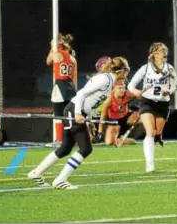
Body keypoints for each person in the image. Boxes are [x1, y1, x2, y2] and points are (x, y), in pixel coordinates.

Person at [28, 57, 130, 189]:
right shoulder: (105, 79)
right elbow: (81, 94)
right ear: (122, 71)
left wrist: (89, 120)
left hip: (78, 111)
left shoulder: (109, 80)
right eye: (127, 70)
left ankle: (37, 173)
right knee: (86, 148)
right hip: (74, 110)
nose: (126, 74)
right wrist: (77, 114)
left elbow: (92, 101)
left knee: (65, 148)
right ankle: (60, 180)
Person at [128, 42, 177, 172]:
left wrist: (169, 91)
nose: (165, 53)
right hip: (147, 102)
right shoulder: (145, 68)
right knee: (149, 131)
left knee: (156, 132)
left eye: (165, 51)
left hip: (163, 103)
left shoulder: (170, 68)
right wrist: (136, 92)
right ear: (154, 54)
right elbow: (131, 85)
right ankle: (150, 165)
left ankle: (158, 137)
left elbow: (174, 85)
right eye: (162, 51)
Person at [46, 33, 78, 145]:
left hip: (60, 86)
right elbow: (75, 78)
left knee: (58, 114)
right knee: (69, 115)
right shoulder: (73, 58)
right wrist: (76, 92)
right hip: (70, 88)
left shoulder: (57, 54)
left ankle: (59, 140)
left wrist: (51, 47)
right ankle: (73, 139)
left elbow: (48, 62)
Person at [95, 80, 139, 146]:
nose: (122, 90)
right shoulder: (109, 100)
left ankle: (152, 135)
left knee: (139, 113)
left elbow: (140, 96)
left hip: (125, 119)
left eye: (123, 88)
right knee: (109, 143)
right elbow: (103, 116)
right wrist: (100, 132)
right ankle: (123, 140)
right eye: (119, 88)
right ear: (114, 88)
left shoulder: (127, 94)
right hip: (114, 121)